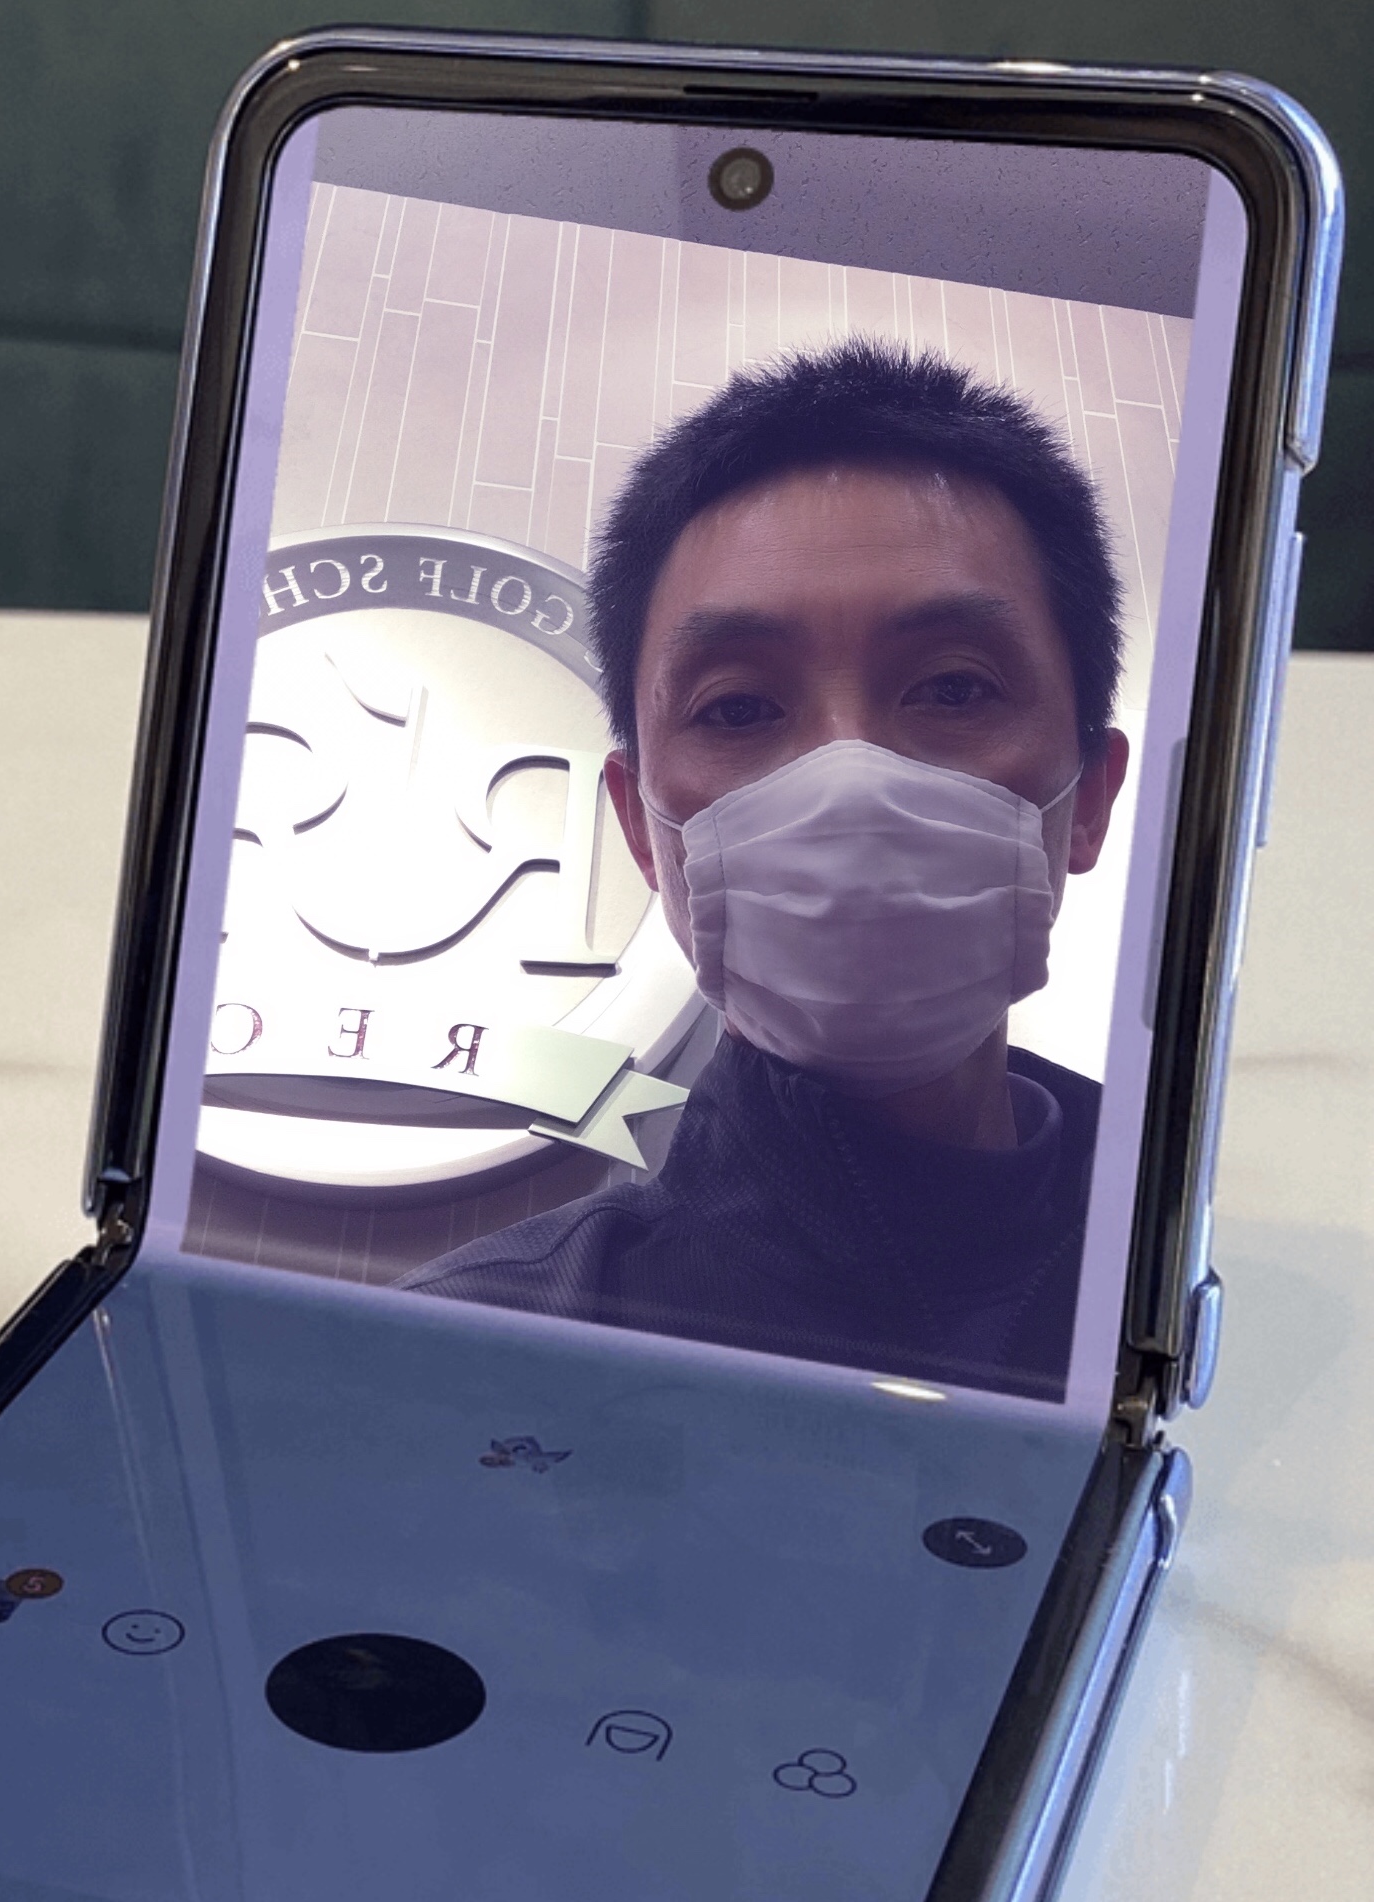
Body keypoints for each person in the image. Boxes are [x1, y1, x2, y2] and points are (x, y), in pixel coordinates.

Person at [400, 339, 1129, 1400]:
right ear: (644, 832)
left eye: (953, 689)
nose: (848, 783)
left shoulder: (1217, 1309)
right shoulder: (466, 1363)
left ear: (1090, 795)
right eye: (739, 707)